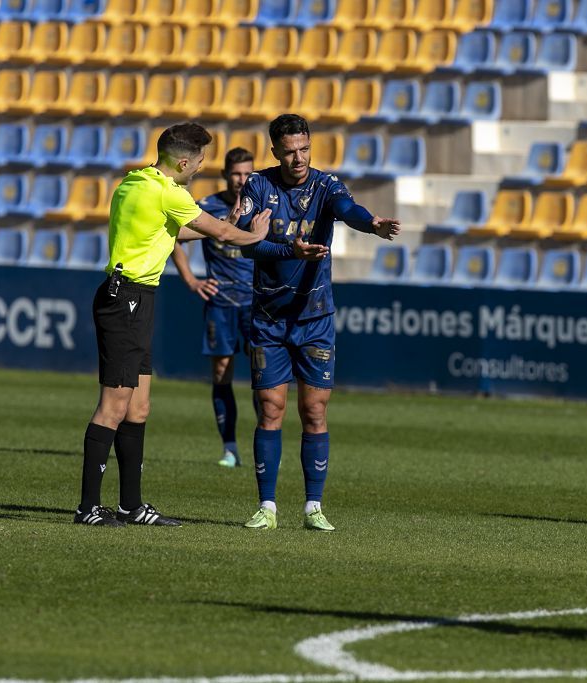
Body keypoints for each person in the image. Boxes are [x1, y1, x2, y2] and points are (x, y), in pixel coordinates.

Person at [74, 123, 272, 527]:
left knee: (139, 407)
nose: (199, 169)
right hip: (125, 299)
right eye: (198, 162)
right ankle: (88, 508)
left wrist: (220, 227)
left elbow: (173, 231)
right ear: (183, 161)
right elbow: (218, 231)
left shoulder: (136, 182)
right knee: (113, 405)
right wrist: (254, 234)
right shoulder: (169, 191)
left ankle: (131, 506)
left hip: (134, 298)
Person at [235, 114, 400, 532]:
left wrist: (372, 225)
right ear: (275, 150)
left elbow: (348, 209)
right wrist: (289, 250)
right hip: (270, 319)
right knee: (270, 408)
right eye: (289, 151)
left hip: (314, 318)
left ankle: (313, 507)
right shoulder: (258, 185)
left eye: (304, 149)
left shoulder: (325, 185)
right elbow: (245, 246)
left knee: (314, 410)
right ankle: (267, 507)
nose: (298, 158)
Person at [171, 147, 259, 468]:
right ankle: (230, 448)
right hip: (221, 303)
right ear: (225, 175)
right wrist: (192, 281)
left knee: (263, 374)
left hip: (256, 303)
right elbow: (174, 240)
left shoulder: (262, 208)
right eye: (236, 173)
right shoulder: (207, 207)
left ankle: (264, 443)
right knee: (221, 373)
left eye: (247, 173)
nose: (241, 180)